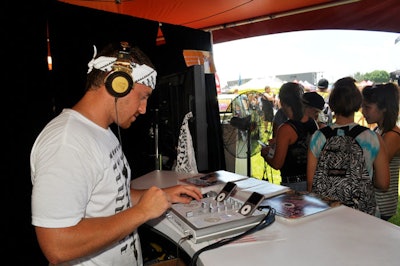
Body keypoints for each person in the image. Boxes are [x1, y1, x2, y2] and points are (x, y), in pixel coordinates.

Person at [30, 41, 202, 265]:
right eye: (143, 96)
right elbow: (57, 245)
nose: (143, 109)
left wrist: (164, 195)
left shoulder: (102, 131)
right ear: (117, 84)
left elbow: (112, 196)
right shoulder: (67, 143)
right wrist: (142, 212)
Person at [307, 77, 389, 216]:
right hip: (361, 215)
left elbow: (311, 184)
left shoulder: (318, 137)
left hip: (327, 213)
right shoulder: (373, 138)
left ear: (331, 105)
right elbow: (383, 183)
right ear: (358, 105)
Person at [261, 82, 318, 192]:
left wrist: (265, 154)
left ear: (282, 103)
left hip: (294, 184)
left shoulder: (285, 128)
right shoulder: (312, 122)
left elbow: (277, 164)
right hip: (312, 180)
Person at [362, 83, 400, 221]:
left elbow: (372, 168)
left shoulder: (392, 136)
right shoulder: (378, 131)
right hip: (375, 201)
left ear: (383, 108)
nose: (362, 111)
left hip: (382, 203)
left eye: (367, 107)